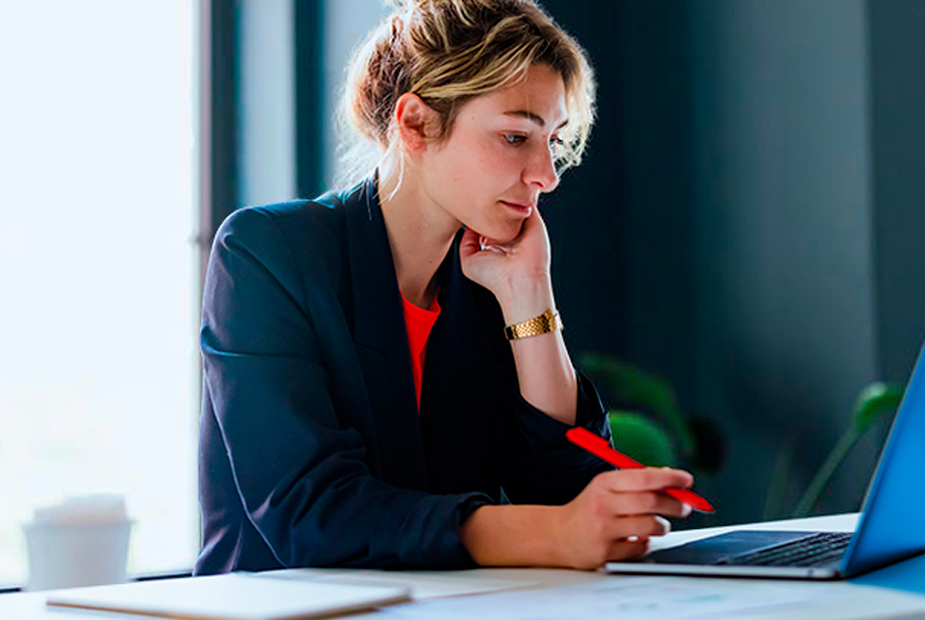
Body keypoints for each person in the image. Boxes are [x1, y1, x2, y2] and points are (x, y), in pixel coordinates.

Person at [195, 0, 695, 574]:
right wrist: (552, 532)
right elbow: (310, 514)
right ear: (414, 123)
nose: (547, 176)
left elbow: (564, 490)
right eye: (516, 137)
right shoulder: (267, 252)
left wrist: (530, 296)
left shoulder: (483, 280)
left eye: (553, 142)